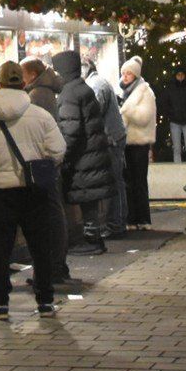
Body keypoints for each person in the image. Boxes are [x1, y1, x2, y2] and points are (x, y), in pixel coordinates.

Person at [0, 60, 66, 318]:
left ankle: (0, 304)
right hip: (34, 192)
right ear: (23, 84)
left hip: (0, 193)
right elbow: (58, 150)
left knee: (0, 250)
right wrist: (40, 166)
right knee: (40, 248)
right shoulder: (40, 115)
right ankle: (45, 301)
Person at [51, 48, 113, 255]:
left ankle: (92, 241)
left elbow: (71, 130)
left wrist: (63, 156)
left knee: (87, 199)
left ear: (63, 70)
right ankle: (93, 238)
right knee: (90, 201)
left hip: (83, 158)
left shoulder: (69, 94)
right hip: (91, 154)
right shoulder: (82, 88)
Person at [21, 57, 70, 280]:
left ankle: (51, 267)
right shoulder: (44, 91)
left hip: (41, 161)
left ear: (32, 74)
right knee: (52, 211)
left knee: (47, 214)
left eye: (22, 73)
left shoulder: (37, 95)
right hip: (47, 160)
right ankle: (55, 265)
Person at [85, 58, 129, 237]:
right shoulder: (99, 82)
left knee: (114, 182)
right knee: (117, 181)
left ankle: (116, 224)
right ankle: (118, 222)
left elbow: (94, 112)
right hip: (114, 137)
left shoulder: (95, 85)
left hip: (111, 139)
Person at [118, 57, 157, 228]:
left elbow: (144, 117)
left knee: (139, 181)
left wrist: (125, 109)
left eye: (129, 73)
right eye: (124, 73)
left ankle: (143, 219)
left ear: (136, 75)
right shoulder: (124, 92)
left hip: (140, 143)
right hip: (126, 142)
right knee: (128, 181)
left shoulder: (145, 92)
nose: (125, 76)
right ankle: (131, 218)